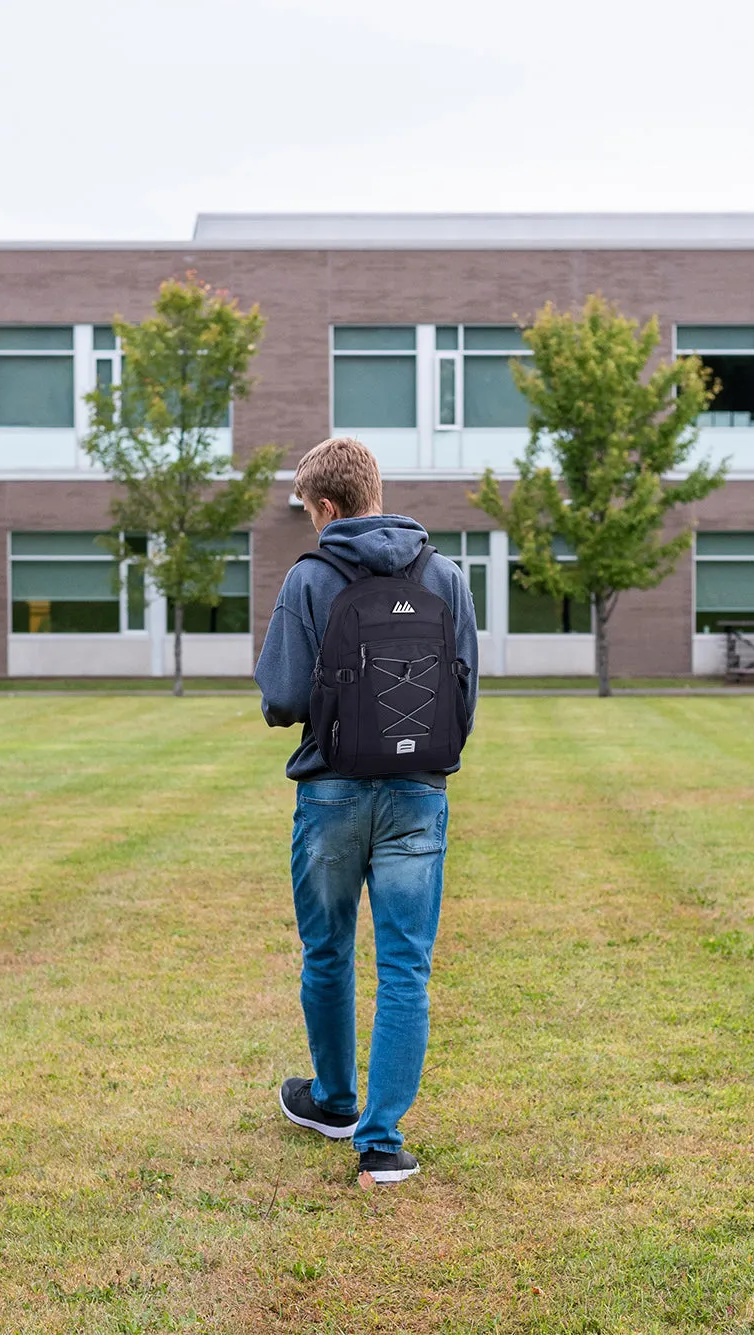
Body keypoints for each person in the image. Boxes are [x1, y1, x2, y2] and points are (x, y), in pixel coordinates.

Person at [254, 436, 479, 1185]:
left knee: (328, 950)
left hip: (330, 792)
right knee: (405, 966)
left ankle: (333, 1099)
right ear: (375, 491)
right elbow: (465, 693)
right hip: (420, 791)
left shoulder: (310, 577)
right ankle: (381, 1143)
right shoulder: (444, 573)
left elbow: (281, 697)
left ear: (323, 507)